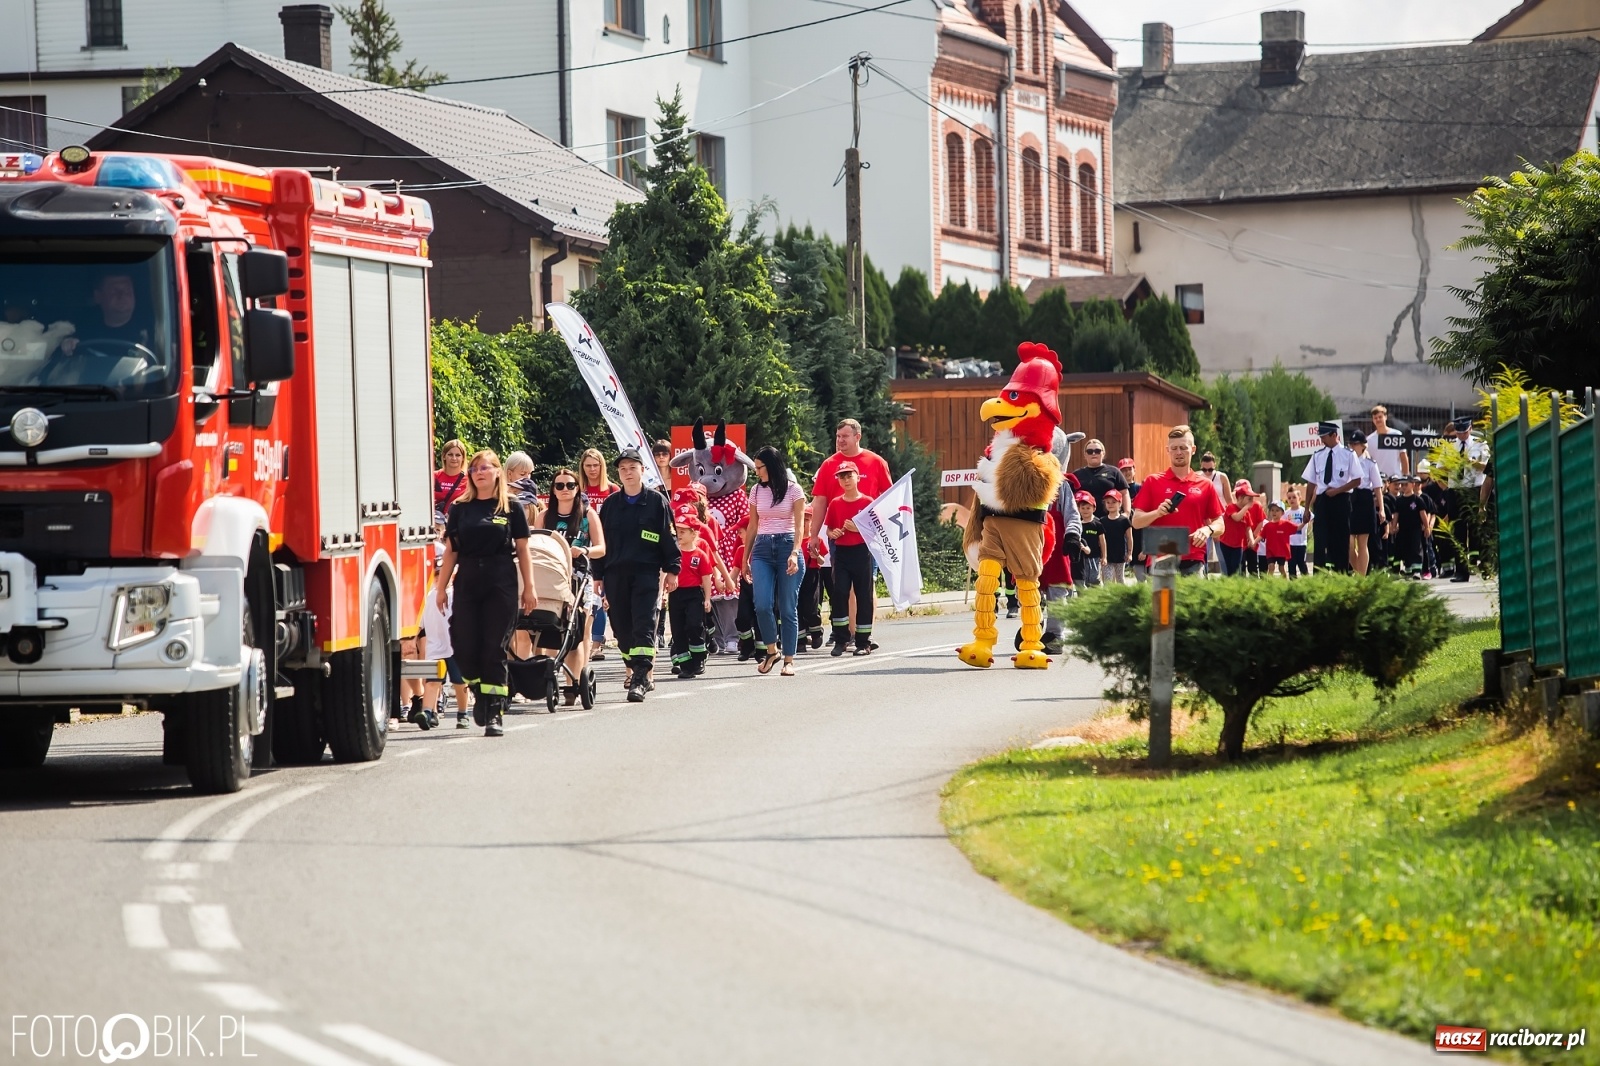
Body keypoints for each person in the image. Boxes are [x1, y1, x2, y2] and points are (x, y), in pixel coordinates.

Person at [435, 450, 537, 738]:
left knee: (494, 646)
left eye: (485, 467)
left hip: (500, 581)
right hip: (468, 580)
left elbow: (523, 549)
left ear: (496, 472)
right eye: (475, 468)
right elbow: (452, 551)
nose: (479, 472)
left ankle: (494, 710)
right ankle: (480, 690)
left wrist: (529, 587)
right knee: (463, 644)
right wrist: (441, 588)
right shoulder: (460, 508)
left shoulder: (512, 507)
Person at [594, 448, 680, 703]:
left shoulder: (656, 502)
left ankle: (641, 678)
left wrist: (672, 570)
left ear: (642, 470)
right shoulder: (610, 505)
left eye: (632, 468)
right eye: (622, 469)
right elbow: (602, 544)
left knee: (643, 625)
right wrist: (598, 576)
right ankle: (634, 667)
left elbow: (668, 538)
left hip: (645, 573)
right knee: (621, 627)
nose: (627, 473)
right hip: (614, 574)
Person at [540, 468, 606, 704]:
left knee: (579, 631)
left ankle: (575, 682)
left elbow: (601, 548)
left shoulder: (588, 515)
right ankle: (549, 676)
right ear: (553, 490)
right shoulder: (544, 516)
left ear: (578, 489)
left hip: (580, 576)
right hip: (551, 577)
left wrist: (584, 550)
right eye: (559, 486)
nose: (565, 490)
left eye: (570, 485)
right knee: (550, 628)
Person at [745, 445, 808, 676]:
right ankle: (772, 651)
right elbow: (752, 526)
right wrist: (745, 559)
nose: (757, 472)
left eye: (760, 467)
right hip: (762, 547)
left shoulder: (794, 490)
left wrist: (794, 552)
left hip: (787, 545)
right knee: (761, 604)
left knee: (787, 607)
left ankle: (789, 659)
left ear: (771, 466)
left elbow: (800, 526)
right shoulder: (755, 491)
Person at [1131, 425, 1225, 576]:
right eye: (1174, 448)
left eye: (1183, 447)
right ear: (1167, 450)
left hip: (1193, 559)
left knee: (1192, 600)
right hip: (1160, 557)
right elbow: (1136, 522)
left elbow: (1220, 523)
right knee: (1163, 601)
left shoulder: (1205, 485)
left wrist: (1208, 530)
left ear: (1193, 449)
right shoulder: (1152, 481)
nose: (1178, 452)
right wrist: (1157, 513)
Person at [807, 419, 892, 562]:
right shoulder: (828, 465)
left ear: (857, 437)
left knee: (867, 581)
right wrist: (814, 535)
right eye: (838, 436)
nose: (840, 440)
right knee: (841, 582)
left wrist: (880, 528)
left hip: (868, 535)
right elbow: (820, 503)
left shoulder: (877, 462)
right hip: (838, 535)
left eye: (845, 436)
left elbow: (888, 499)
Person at [823, 460, 876, 656]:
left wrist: (859, 528)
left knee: (863, 596)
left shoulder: (868, 502)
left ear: (857, 477)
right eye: (841, 476)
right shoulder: (836, 503)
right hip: (842, 553)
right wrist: (832, 533)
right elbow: (829, 528)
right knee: (839, 594)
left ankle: (863, 642)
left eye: (848, 475)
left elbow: (876, 531)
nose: (845, 480)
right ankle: (841, 639)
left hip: (862, 552)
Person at [1302, 421, 1360, 574]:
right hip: (1322, 501)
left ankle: (1340, 573)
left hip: (1341, 500)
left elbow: (1357, 480)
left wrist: (1338, 490)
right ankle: (1319, 574)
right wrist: (1307, 508)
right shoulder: (1317, 455)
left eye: (1324, 436)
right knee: (1320, 539)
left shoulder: (1348, 454)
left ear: (1334, 435)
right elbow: (1311, 482)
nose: (1322, 440)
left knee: (1340, 539)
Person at [579, 448, 618, 659]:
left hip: (608, 547)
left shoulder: (612, 489)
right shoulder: (577, 489)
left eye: (596, 465)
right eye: (588, 465)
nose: (592, 469)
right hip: (584, 548)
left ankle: (603, 639)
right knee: (591, 596)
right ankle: (594, 642)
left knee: (604, 594)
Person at [421, 572, 472, 729]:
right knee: (432, 682)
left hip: (454, 647)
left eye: (442, 576)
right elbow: (420, 623)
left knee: (459, 682)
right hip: (434, 648)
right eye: (436, 576)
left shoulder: (456, 595)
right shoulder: (428, 597)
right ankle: (428, 713)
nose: (439, 579)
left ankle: (463, 713)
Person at [1443, 416, 1489, 582]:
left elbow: (1487, 467)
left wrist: (1472, 463)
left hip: (1474, 489)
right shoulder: (1449, 447)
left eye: (1464, 432)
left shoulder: (1479, 444)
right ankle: (1461, 571)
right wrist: (1453, 465)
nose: (1462, 435)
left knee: (1478, 529)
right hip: (1456, 490)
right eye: (1459, 432)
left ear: (1470, 429)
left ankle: (1485, 566)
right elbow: (1441, 468)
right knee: (1458, 531)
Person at [668, 523, 715, 678]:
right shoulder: (673, 554)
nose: (679, 535)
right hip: (676, 594)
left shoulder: (700, 555)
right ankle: (685, 665)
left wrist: (707, 598)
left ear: (693, 534)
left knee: (695, 625)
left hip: (694, 594)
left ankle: (698, 659)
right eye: (678, 532)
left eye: (683, 532)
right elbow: (664, 573)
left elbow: (706, 578)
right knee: (678, 630)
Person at [1346, 430, 1384, 576]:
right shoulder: (1346, 461)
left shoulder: (1370, 464)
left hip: (1364, 499)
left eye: (1355, 444)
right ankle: (1359, 572)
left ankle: (1361, 577)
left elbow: (1377, 487)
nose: (1352, 446)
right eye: (1351, 444)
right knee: (1349, 543)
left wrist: (1381, 509)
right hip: (1350, 498)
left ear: (1362, 446)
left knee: (1362, 543)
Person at [1072, 439, 1130, 518]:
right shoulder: (1076, 474)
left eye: (1097, 451)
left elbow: (1124, 493)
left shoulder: (1114, 471)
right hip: (1085, 521)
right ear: (1085, 455)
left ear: (1103, 453)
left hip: (1110, 519)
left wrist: (1126, 512)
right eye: (1090, 451)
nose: (1093, 453)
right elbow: (1069, 497)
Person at [1218, 480, 1264, 576]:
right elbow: (1236, 518)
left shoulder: (1246, 513)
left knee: (1236, 568)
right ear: (1240, 498)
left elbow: (1248, 528)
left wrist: (1251, 540)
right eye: (1249, 499)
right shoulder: (1231, 507)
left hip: (1238, 545)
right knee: (1227, 569)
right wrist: (1246, 507)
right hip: (1226, 543)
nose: (1252, 502)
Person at [433, 439, 470, 524]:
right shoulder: (434, 476)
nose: (454, 458)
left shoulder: (469, 479)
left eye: (458, 455)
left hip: (458, 523)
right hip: (435, 524)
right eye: (450, 454)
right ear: (444, 456)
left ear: (463, 458)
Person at [1368, 405, 1410, 480]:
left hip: (1396, 479)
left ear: (1385, 417)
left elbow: (1403, 457)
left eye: (1380, 417)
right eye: (1375, 418)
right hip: (1379, 479)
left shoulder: (1397, 435)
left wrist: (1406, 477)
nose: (1378, 420)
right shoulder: (1369, 440)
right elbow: (1368, 462)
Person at [1100, 490, 1132, 586]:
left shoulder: (1124, 520)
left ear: (1120, 503)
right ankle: (1108, 600)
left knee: (1120, 579)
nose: (1110, 504)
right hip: (1106, 556)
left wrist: (1130, 553)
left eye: (1114, 502)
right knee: (1107, 581)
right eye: (1108, 502)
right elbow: (1100, 540)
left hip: (1120, 555)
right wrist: (1101, 555)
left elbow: (1130, 538)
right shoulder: (1102, 521)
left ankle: (1123, 599)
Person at [1261, 502, 1295, 578]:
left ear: (1282, 513)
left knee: (1281, 568)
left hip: (1281, 551)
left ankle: (1284, 582)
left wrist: (1304, 523)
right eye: (1272, 510)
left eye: (1277, 510)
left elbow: (1296, 528)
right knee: (1271, 567)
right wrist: (1253, 542)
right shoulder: (1267, 525)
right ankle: (1269, 584)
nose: (1274, 512)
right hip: (1270, 551)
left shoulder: (1285, 524)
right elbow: (1261, 536)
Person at [1284, 485, 1310, 578]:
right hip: (1290, 543)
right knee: (1291, 564)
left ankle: (1307, 581)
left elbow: (1313, 519)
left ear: (1300, 498)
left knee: (1301, 563)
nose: (1292, 500)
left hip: (1301, 543)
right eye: (1289, 498)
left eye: (1294, 497)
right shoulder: (1286, 513)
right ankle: (1292, 583)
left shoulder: (1304, 511)